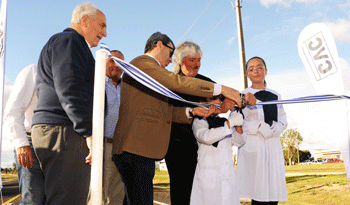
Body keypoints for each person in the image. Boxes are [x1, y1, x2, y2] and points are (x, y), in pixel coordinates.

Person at [112, 32, 243, 205]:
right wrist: (222, 89)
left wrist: (191, 112)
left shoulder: (153, 73)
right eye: (171, 52)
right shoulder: (142, 64)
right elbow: (177, 83)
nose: (171, 59)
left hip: (142, 149)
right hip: (136, 148)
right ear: (159, 45)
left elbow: (166, 112)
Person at [31, 3, 107, 205]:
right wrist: (88, 132)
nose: (104, 33)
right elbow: (70, 87)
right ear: (84, 20)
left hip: (64, 131)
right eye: (102, 25)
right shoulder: (68, 41)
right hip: (65, 132)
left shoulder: (73, 45)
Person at [164, 41, 217, 205]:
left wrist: (216, 104)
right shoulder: (170, 82)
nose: (197, 64)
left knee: (203, 192)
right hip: (178, 147)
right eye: (192, 60)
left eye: (199, 60)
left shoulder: (205, 82)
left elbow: (221, 98)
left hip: (204, 147)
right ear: (180, 61)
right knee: (182, 192)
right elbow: (166, 113)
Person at [236, 56, 288, 204]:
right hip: (255, 149)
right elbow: (238, 121)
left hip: (273, 147)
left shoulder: (276, 95)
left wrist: (279, 126)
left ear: (265, 71)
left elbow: (283, 118)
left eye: (259, 67)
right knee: (258, 194)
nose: (256, 71)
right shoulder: (242, 96)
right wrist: (257, 127)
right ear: (247, 74)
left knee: (273, 195)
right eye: (251, 69)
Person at [190, 95, 246, 205]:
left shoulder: (224, 121)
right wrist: (230, 123)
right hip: (209, 176)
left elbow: (239, 141)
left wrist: (237, 120)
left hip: (227, 175)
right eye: (213, 99)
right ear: (203, 102)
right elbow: (206, 137)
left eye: (219, 100)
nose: (218, 103)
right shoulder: (199, 120)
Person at [3, 64, 46, 204]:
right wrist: (21, 143)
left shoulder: (68, 76)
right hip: (31, 144)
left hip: (56, 146)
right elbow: (13, 110)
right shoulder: (34, 70)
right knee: (33, 200)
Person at [87, 50, 125, 205]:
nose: (116, 65)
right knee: (96, 194)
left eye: (120, 62)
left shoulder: (128, 89)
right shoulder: (94, 84)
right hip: (100, 146)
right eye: (112, 61)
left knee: (116, 196)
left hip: (121, 148)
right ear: (103, 63)